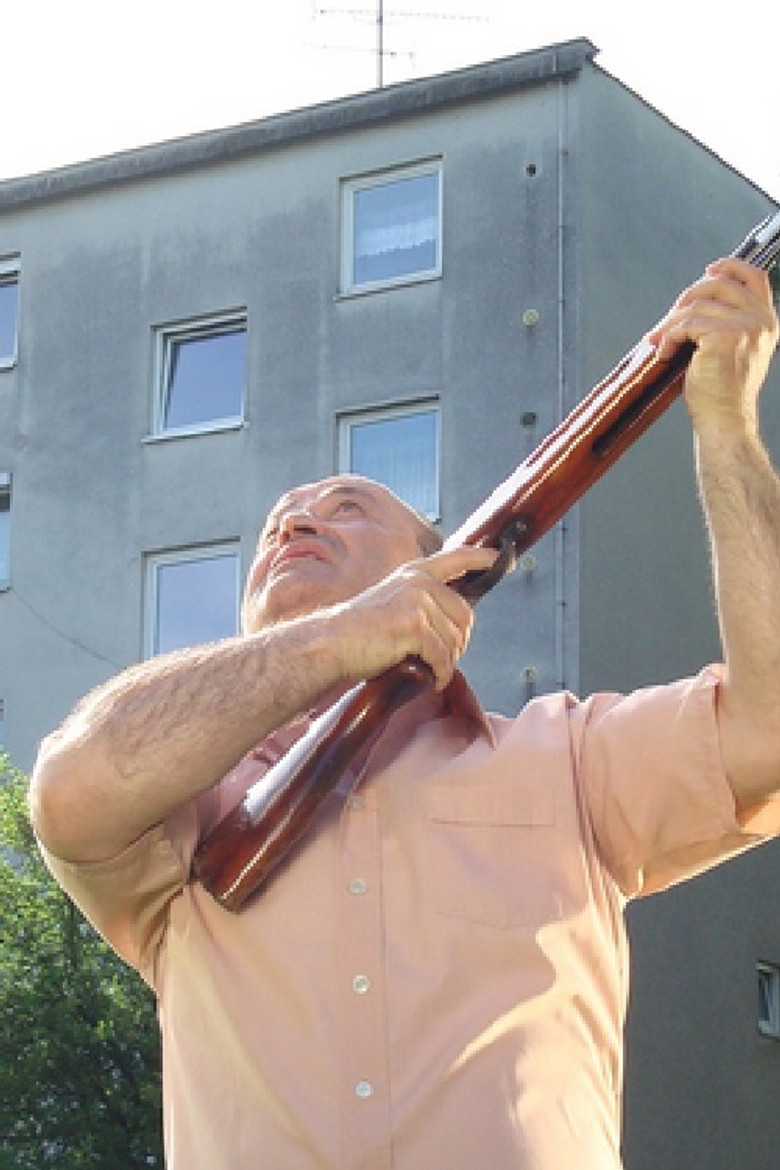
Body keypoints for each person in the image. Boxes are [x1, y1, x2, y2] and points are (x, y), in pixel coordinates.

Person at [29, 257, 780, 1170]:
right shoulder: (187, 816)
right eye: (278, 527)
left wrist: (727, 427)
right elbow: (73, 785)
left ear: (445, 571)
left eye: (346, 509)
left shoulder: (570, 760)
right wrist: (338, 639)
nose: (295, 526)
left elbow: (770, 729)